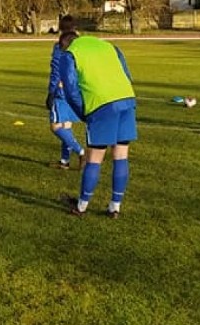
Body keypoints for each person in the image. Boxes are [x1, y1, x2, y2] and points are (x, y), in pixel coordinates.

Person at [58, 28, 137, 218]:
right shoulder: (109, 46)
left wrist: (83, 112)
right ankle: (115, 207)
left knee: (95, 157)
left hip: (101, 105)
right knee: (121, 154)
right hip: (126, 99)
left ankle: (82, 207)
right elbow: (127, 74)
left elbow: (70, 90)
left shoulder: (69, 55)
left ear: (64, 45)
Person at [46, 14, 85, 169]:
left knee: (55, 126)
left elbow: (56, 70)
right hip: (75, 89)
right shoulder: (80, 44)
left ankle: (81, 152)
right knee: (66, 126)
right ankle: (64, 161)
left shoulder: (60, 46)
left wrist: (51, 92)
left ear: (61, 27)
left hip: (61, 90)